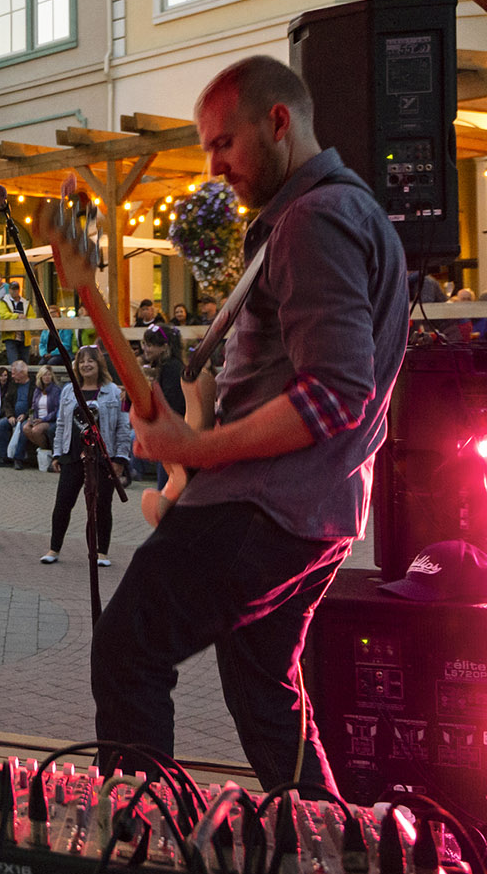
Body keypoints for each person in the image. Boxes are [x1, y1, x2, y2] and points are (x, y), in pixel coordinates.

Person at [104, 55, 409, 794]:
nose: (212, 166)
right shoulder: (336, 214)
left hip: (262, 507)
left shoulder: (315, 218)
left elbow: (338, 392)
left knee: (128, 646)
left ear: (278, 122)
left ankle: (140, 849)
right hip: (321, 512)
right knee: (262, 684)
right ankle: (331, 851)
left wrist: (198, 446)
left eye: (223, 144)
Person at [41, 345, 132, 566]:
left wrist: (120, 459)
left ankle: (101, 553)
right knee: (63, 502)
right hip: (73, 456)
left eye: (90, 361)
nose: (85, 365)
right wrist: (57, 454)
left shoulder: (112, 391)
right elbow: (61, 424)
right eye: (81, 361)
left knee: (101, 506)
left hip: (103, 458)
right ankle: (54, 549)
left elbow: (122, 427)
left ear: (99, 364)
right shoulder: (68, 391)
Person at [139, 324, 187, 488]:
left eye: (150, 345)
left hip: (172, 438)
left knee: (167, 488)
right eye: (145, 344)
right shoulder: (166, 367)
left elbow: (170, 404)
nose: (146, 349)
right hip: (169, 435)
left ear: (164, 347)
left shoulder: (171, 369)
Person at [0, 360, 34, 468]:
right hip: (13, 416)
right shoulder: (14, 384)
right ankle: (3, 457)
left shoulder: (33, 384)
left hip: (27, 417)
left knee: (23, 427)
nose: (11, 376)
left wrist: (25, 415)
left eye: (13, 373)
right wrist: (10, 415)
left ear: (21, 373)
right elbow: (7, 401)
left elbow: (35, 404)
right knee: (2, 424)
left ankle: (18, 458)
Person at [23, 365, 63, 472]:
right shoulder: (37, 390)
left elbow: (56, 410)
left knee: (36, 430)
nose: (47, 377)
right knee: (26, 428)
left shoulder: (56, 390)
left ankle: (46, 450)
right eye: (45, 375)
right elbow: (32, 406)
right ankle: (43, 450)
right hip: (37, 418)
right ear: (40, 377)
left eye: (49, 374)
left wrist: (43, 419)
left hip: (49, 419)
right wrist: (31, 418)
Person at [0, 280, 31, 365]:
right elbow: (3, 314)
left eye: (16, 289)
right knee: (13, 361)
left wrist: (25, 318)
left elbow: (32, 316)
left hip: (24, 337)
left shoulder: (26, 302)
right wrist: (17, 316)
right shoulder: (3, 301)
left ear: (19, 290)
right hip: (10, 336)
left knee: (25, 362)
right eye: (12, 289)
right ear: (9, 290)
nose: (14, 291)